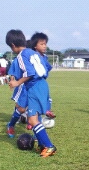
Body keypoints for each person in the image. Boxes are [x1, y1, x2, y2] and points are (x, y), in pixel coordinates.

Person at [6, 29, 57, 157]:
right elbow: (45, 69)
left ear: (13, 45)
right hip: (42, 84)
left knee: (33, 120)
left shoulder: (21, 55)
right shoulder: (34, 53)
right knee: (33, 118)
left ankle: (49, 146)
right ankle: (42, 145)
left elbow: (29, 73)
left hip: (34, 86)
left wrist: (16, 83)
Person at [29, 32, 56, 119]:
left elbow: (48, 67)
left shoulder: (44, 57)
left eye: (45, 44)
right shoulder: (33, 57)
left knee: (45, 99)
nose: (45, 46)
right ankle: (43, 113)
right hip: (33, 83)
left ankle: (35, 119)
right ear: (35, 46)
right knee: (34, 103)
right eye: (42, 44)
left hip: (42, 82)